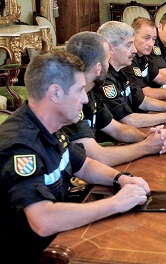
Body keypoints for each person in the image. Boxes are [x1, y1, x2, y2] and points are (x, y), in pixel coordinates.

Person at [0, 51, 151, 263]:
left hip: (60, 236)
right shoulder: (20, 145)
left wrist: (121, 178)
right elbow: (43, 220)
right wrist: (116, 203)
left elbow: (83, 164)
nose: (85, 98)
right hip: (32, 252)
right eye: (80, 90)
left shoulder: (52, 124)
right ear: (55, 93)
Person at [63, 31, 166, 166]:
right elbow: (97, 156)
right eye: (107, 59)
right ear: (98, 68)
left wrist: (148, 138)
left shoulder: (90, 91)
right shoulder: (69, 102)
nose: (108, 65)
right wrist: (147, 146)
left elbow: (117, 129)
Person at [95, 21, 166, 128]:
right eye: (129, 45)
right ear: (110, 48)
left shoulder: (121, 70)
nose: (134, 50)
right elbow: (128, 120)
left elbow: (142, 100)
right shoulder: (104, 79)